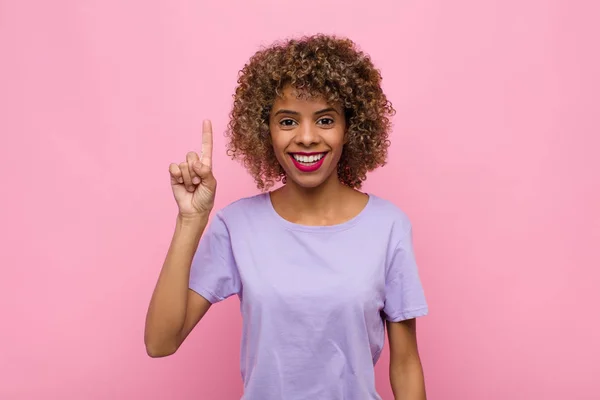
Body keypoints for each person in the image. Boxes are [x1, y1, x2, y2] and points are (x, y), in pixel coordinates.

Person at [144, 34, 429, 400]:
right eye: (288, 121)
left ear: (350, 129)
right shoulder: (238, 226)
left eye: (325, 119)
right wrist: (190, 220)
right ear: (266, 130)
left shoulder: (388, 226)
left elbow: (405, 364)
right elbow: (160, 342)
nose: (307, 137)